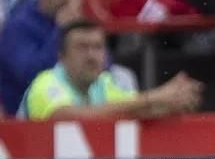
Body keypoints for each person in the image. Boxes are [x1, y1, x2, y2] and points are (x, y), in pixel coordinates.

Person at [19, 18, 201, 119]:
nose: (91, 55)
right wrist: (155, 97)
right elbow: (65, 117)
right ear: (62, 57)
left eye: (98, 47)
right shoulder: (46, 83)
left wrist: (171, 103)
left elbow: (131, 109)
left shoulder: (104, 83)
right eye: (82, 47)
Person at [0, 0, 82, 115]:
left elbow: (102, 67)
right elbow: (32, 77)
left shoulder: (81, 23)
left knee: (122, 76)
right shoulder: (18, 26)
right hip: (25, 119)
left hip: (77, 109)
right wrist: (61, 31)